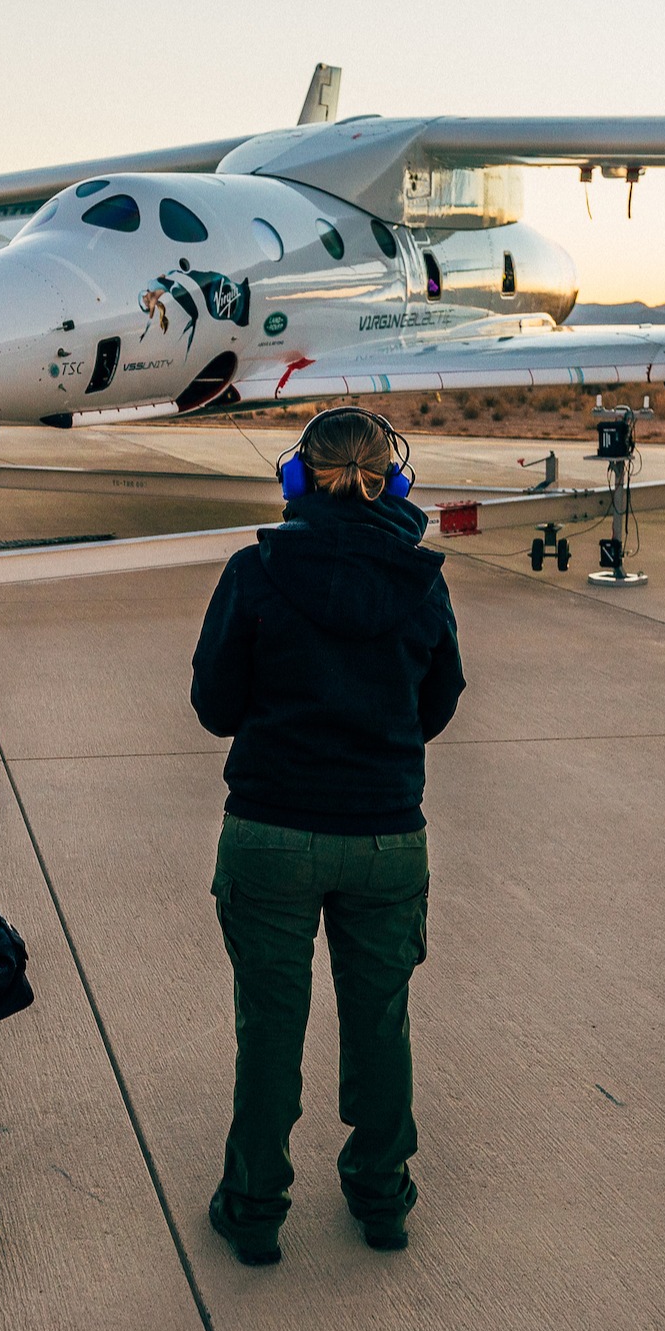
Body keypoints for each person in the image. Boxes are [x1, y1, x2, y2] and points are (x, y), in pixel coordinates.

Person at [188, 407, 465, 1266]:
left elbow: (214, 707)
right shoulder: (422, 582)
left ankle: (255, 1208)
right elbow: (440, 702)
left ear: (298, 477)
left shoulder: (255, 572)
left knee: (269, 1026)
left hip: (270, 831)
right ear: (396, 480)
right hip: (384, 837)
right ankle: (381, 1199)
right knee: (380, 1022)